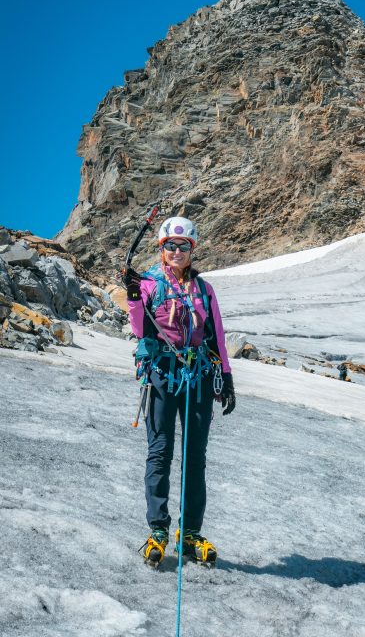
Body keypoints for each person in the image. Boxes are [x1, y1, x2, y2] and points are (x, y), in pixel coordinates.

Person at [124, 215, 235, 567]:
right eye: (170, 245)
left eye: (183, 246)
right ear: (161, 248)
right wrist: (132, 296)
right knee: (160, 451)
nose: (176, 251)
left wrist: (226, 376)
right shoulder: (147, 283)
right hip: (161, 375)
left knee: (194, 456)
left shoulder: (204, 289)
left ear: (192, 249)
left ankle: (189, 533)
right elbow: (141, 329)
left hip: (199, 376)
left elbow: (215, 333)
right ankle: (158, 528)